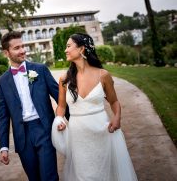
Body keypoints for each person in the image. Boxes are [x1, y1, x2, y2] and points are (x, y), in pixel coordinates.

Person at [54, 33, 138, 181]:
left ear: (81, 49)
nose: (65, 50)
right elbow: (61, 106)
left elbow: (114, 102)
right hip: (78, 134)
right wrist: (59, 120)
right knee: (83, 174)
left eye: (68, 46)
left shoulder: (103, 75)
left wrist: (117, 118)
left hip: (102, 130)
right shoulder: (64, 79)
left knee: (105, 171)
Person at [0, 31, 64, 181]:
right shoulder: (3, 81)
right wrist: (4, 147)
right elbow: (3, 116)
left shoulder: (40, 70)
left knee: (49, 177)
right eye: (16, 48)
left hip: (43, 129)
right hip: (22, 137)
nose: (22, 51)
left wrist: (64, 119)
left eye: (23, 46)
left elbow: (60, 97)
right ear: (6, 53)